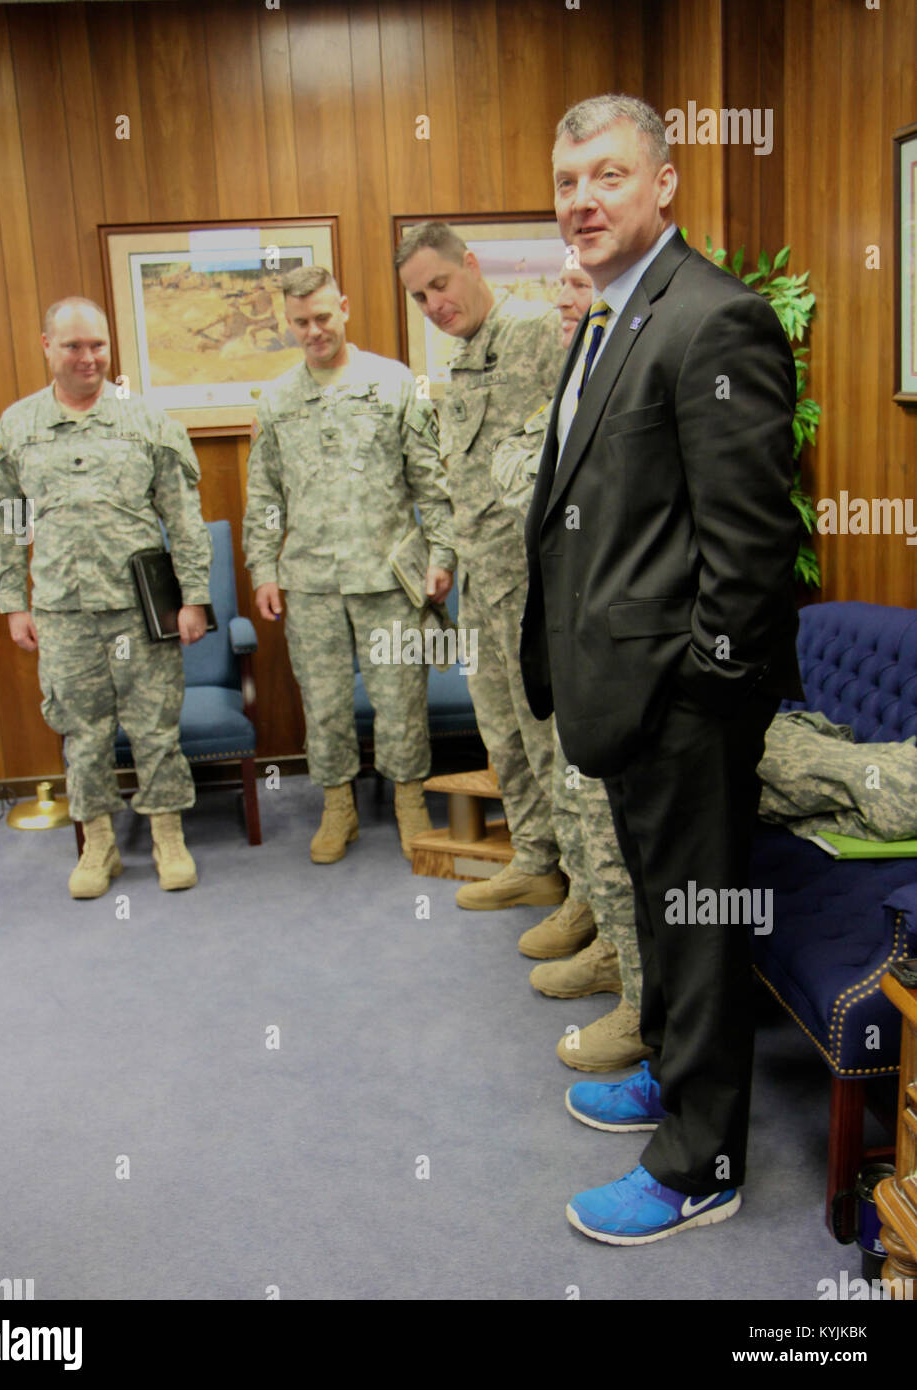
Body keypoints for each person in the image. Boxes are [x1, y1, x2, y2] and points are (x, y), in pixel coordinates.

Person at [521, 94, 802, 1243]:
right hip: (627, 702)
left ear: (663, 183)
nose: (581, 201)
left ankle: (701, 1164)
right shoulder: (615, 313)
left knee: (696, 921)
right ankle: (672, 1071)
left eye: (607, 175)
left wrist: (698, 696)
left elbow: (749, 553)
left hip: (686, 709)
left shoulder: (713, 319)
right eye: (565, 182)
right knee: (659, 909)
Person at [0, 297, 213, 899]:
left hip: (142, 611)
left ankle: (167, 837)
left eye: (98, 345)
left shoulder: (148, 423)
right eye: (73, 346)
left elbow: (185, 522)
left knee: (155, 729)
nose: (88, 358)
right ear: (47, 347)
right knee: (82, 733)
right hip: (64, 613)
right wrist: (13, 602)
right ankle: (99, 844)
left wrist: (194, 598)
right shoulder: (17, 428)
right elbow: (4, 523)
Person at [243, 266, 456, 863]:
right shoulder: (277, 400)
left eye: (322, 317)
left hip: (388, 578)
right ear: (288, 324)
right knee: (324, 702)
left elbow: (430, 481)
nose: (314, 331)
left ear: (344, 308)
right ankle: (338, 807)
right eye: (300, 322)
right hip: (310, 581)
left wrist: (443, 554)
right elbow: (263, 498)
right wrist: (262, 569)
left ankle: (409, 801)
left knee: (401, 698)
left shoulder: (393, 383)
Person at [492, 262, 648, 1072]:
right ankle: (605, 939)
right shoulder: (576, 370)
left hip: (622, 643)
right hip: (569, 628)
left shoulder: (642, 367)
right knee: (574, 798)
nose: (562, 298)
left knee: (610, 817)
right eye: (558, 283)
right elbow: (520, 480)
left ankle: (641, 997)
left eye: (580, 284)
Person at [396, 223, 569, 917]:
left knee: (549, 739)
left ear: (470, 265)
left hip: (533, 587)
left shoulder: (536, 332)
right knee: (504, 736)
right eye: (419, 297)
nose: (434, 304)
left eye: (440, 284)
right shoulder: (465, 356)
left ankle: (587, 891)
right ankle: (536, 861)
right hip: (481, 584)